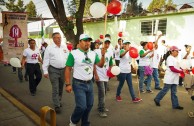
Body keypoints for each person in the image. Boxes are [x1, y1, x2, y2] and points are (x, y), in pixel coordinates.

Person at [65, 33, 105, 126]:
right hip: (78, 83)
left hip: (90, 83)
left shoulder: (93, 53)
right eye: (85, 41)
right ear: (80, 42)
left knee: (89, 105)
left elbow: (100, 65)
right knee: (81, 106)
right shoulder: (74, 53)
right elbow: (68, 68)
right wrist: (68, 84)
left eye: (89, 41)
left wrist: (103, 55)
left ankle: (85, 122)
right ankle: (73, 120)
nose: (87, 43)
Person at [42, 32, 69, 114]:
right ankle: (57, 105)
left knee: (61, 87)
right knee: (55, 88)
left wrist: (71, 67)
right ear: (53, 39)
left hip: (63, 70)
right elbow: (46, 60)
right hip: (53, 70)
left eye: (60, 37)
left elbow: (68, 58)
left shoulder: (64, 47)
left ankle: (59, 100)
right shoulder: (49, 48)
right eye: (57, 37)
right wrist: (45, 71)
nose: (59, 39)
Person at [154, 46, 184, 110]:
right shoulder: (169, 58)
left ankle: (175, 105)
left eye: (178, 51)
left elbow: (177, 67)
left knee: (174, 92)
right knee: (165, 90)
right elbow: (172, 68)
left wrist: (183, 69)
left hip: (174, 78)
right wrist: (181, 71)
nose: (178, 52)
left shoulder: (175, 58)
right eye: (176, 51)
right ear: (172, 51)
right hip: (169, 78)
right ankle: (157, 99)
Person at [94, 37, 113, 117]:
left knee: (104, 92)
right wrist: (96, 75)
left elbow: (111, 63)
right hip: (99, 75)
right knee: (102, 93)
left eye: (109, 43)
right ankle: (101, 110)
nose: (107, 44)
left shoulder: (110, 52)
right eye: (106, 43)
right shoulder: (97, 51)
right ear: (103, 43)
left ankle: (101, 106)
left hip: (106, 76)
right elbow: (93, 64)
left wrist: (111, 70)